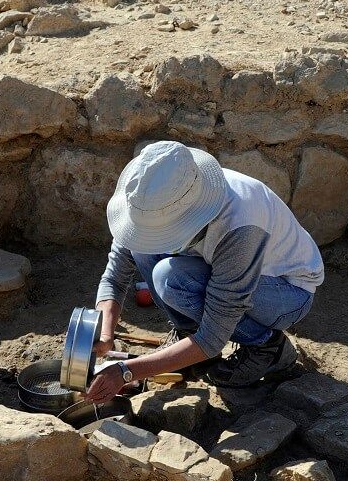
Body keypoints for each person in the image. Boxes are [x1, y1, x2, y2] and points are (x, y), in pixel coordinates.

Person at [86, 141, 323, 403]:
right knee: (143, 249)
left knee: (172, 279)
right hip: (229, 272)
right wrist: (105, 335)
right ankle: (187, 337)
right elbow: (114, 278)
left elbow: (213, 336)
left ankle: (267, 347)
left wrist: (128, 371)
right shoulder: (148, 201)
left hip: (288, 292)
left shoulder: (240, 223)